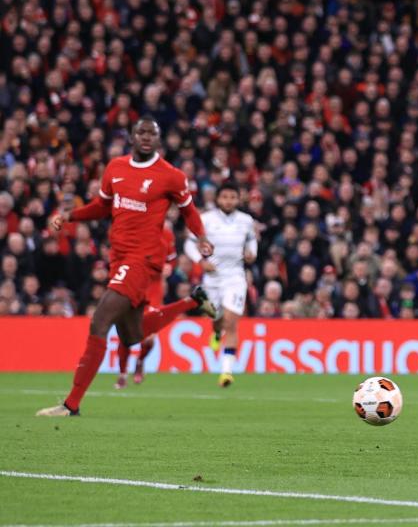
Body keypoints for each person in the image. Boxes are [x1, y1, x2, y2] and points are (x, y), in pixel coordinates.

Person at [38, 117, 214, 416]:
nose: (146, 137)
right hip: (118, 257)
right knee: (132, 335)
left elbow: (189, 211)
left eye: (152, 133)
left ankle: (71, 404)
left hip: (142, 259)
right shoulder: (115, 168)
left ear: (158, 139)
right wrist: (71, 215)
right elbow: (103, 206)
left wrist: (201, 238)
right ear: (131, 137)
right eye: (141, 132)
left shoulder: (171, 176)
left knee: (100, 321)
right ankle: (192, 301)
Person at [115, 224, 216, 389]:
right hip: (132, 284)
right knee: (126, 332)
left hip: (154, 288)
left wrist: (167, 268)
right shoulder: (132, 228)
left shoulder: (166, 233)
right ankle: (122, 374)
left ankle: (140, 362)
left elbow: (171, 261)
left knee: (149, 337)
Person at [185, 181, 258, 388]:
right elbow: (189, 243)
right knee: (217, 319)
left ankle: (226, 372)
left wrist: (252, 253)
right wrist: (200, 262)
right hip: (212, 279)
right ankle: (216, 332)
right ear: (218, 199)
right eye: (225, 197)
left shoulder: (246, 220)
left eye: (232, 197)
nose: (228, 201)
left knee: (231, 322)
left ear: (238, 199)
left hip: (235, 277)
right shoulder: (205, 220)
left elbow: (252, 240)